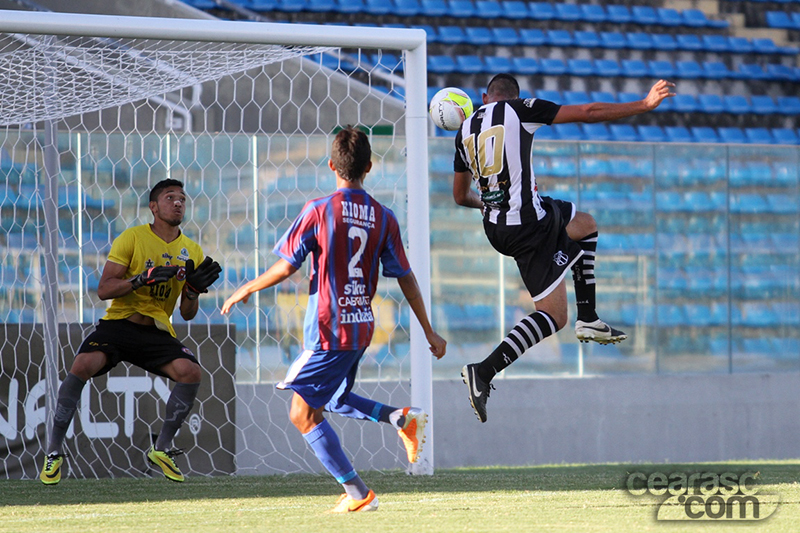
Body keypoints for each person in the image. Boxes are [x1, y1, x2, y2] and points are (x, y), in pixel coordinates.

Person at [221, 127, 446, 513]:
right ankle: (401, 419)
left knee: (301, 412)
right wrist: (428, 330)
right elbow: (406, 277)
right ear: (369, 167)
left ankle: (359, 494)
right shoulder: (384, 217)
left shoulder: (319, 210)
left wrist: (246, 288)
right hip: (361, 327)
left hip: (329, 328)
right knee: (335, 397)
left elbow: (286, 265)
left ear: (331, 165)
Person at [454, 74, 674, 423]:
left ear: (484, 97)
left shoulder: (464, 130)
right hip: (527, 226)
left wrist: (488, 202)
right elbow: (587, 110)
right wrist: (643, 105)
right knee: (554, 316)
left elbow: (459, 196)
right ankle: (484, 371)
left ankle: (588, 318)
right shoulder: (521, 109)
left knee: (584, 223)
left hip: (497, 227)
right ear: (514, 97)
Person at [39, 179, 222, 484]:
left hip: (156, 332)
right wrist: (140, 280)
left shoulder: (192, 250)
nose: (177, 203)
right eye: (169, 197)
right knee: (82, 365)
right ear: (153, 207)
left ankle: (161, 448)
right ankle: (54, 452)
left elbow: (187, 314)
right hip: (121, 324)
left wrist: (192, 290)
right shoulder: (132, 238)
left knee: (190, 372)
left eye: (182, 199)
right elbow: (104, 289)